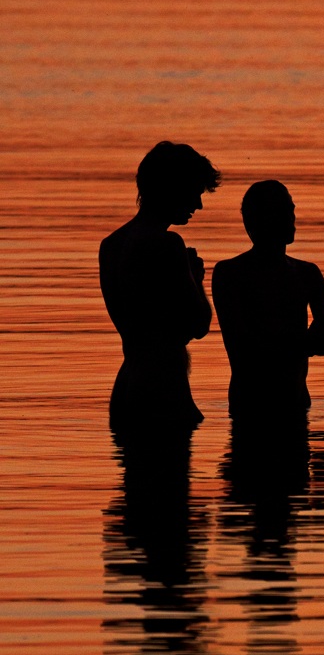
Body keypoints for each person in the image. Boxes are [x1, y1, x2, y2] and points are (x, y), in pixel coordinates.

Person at [99, 141, 220, 437]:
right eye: (195, 191)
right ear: (173, 187)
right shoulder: (167, 245)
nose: (198, 204)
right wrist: (197, 278)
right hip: (161, 390)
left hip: (128, 386)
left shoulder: (111, 245)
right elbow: (199, 324)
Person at [211, 180, 324, 431]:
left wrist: (282, 340)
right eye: (283, 211)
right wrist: (306, 341)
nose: (292, 218)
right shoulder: (230, 273)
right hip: (250, 407)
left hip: (296, 404)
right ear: (259, 220)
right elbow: (245, 347)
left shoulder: (306, 273)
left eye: (291, 210)